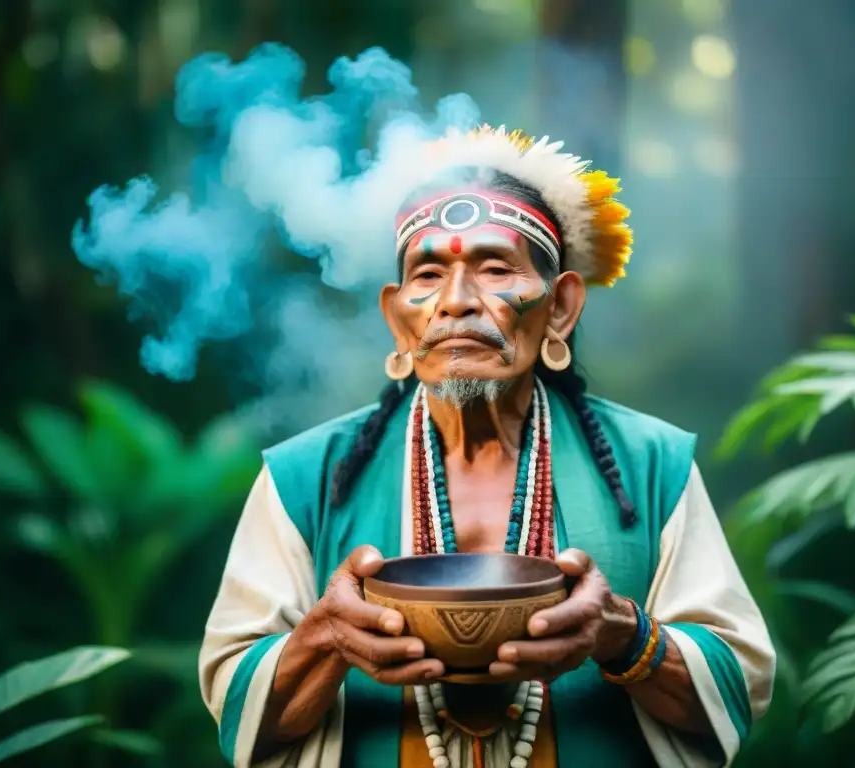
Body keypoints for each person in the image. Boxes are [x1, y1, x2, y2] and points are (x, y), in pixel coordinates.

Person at [199, 125, 775, 768]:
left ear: (559, 309)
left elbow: (738, 685)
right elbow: (235, 700)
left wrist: (621, 634)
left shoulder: (651, 464)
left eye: (495, 268)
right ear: (398, 319)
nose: (456, 302)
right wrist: (326, 639)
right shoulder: (306, 477)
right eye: (429, 273)